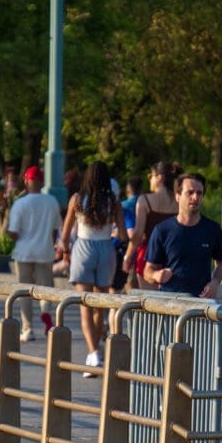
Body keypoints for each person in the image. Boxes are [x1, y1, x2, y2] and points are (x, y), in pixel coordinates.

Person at [60, 160, 127, 377]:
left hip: (83, 247)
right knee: (101, 304)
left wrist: (67, 252)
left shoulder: (77, 200)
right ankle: (95, 350)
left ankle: (93, 354)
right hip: (106, 249)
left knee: (84, 305)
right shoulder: (113, 202)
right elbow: (124, 235)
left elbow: (65, 233)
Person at [143, 173, 222, 297]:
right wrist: (156, 275)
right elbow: (147, 271)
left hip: (201, 304)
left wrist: (215, 282)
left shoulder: (212, 229)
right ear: (177, 196)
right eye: (190, 192)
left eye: (199, 193)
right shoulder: (162, 230)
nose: (195, 197)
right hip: (170, 304)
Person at [6, 166, 62, 340]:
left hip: (24, 252)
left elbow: (14, 232)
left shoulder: (20, 204)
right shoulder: (52, 202)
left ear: (25, 181)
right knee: (46, 288)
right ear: (42, 181)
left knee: (24, 291)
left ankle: (27, 328)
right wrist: (49, 243)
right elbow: (55, 229)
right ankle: (45, 312)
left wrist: (12, 235)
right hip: (44, 251)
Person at [121, 162, 179, 291]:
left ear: (159, 178)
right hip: (173, 255)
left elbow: (137, 235)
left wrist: (127, 257)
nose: (149, 180)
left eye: (150, 176)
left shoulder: (145, 201)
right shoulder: (179, 201)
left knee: (149, 303)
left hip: (148, 256)